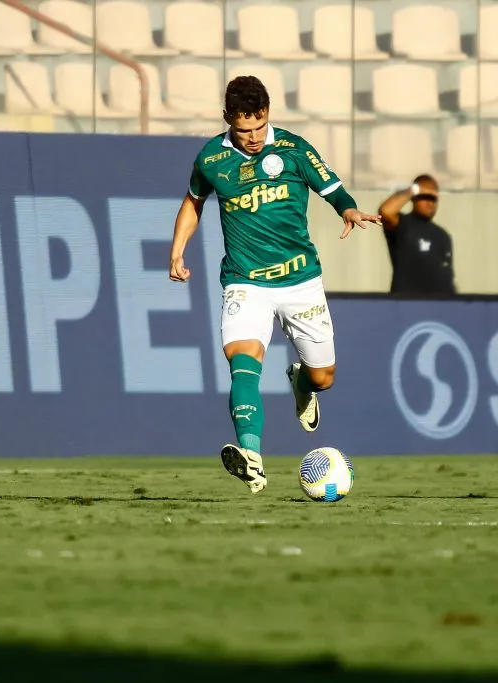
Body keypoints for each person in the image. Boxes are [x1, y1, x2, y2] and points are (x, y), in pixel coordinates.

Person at [168, 76, 381, 494]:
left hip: (300, 281)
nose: (252, 137)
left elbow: (332, 187)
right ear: (227, 118)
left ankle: (302, 382)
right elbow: (193, 202)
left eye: (259, 126)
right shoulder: (211, 159)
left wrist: (349, 209)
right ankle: (251, 457)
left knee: (324, 377)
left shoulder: (293, 149)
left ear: (268, 114)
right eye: (243, 129)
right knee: (242, 360)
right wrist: (177, 251)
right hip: (245, 281)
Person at [378, 174, 456, 295]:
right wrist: (414, 189)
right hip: (407, 302)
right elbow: (386, 212)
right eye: (425, 196)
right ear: (414, 198)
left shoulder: (443, 235)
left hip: (439, 304)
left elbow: (447, 277)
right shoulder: (403, 225)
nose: (430, 203)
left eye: (433, 198)